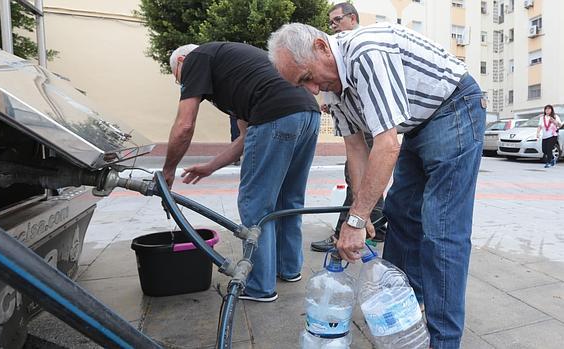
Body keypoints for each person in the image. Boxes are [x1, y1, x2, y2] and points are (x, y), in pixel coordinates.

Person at [268, 22, 485, 348]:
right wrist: (362, 211)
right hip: (417, 123)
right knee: (400, 213)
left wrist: (355, 221)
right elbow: (356, 149)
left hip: (454, 106)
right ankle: (406, 314)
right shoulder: (330, 86)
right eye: (303, 85)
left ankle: (443, 341)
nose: (312, 90)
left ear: (321, 48)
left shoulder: (366, 52)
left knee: (441, 230)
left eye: (307, 78)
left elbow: (386, 145)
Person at [163, 42, 320, 302]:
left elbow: (184, 125)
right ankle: (289, 269)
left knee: (255, 204)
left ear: (181, 62)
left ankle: (259, 286)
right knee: (289, 200)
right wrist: (211, 166)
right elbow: (247, 137)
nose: (185, 84)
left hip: (277, 114)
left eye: (178, 79)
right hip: (308, 114)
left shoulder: (195, 58)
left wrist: (168, 169)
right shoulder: (236, 72)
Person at [310, 1, 387, 253]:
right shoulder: (338, 56)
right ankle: (370, 225)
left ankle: (361, 228)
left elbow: (387, 146)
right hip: (360, 124)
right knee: (360, 175)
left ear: (352, 18)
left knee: (365, 176)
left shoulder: (360, 48)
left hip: (372, 124)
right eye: (330, 23)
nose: (333, 26)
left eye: (337, 20)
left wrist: (357, 219)